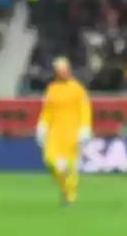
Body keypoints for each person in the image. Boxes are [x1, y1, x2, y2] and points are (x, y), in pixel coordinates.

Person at [36, 57, 93, 206]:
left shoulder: (77, 89)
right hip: (54, 131)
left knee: (70, 165)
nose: (63, 73)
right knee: (51, 159)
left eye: (64, 69)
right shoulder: (52, 89)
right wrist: (41, 125)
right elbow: (47, 110)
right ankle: (64, 187)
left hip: (72, 132)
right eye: (59, 70)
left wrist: (85, 128)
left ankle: (70, 195)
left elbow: (84, 109)